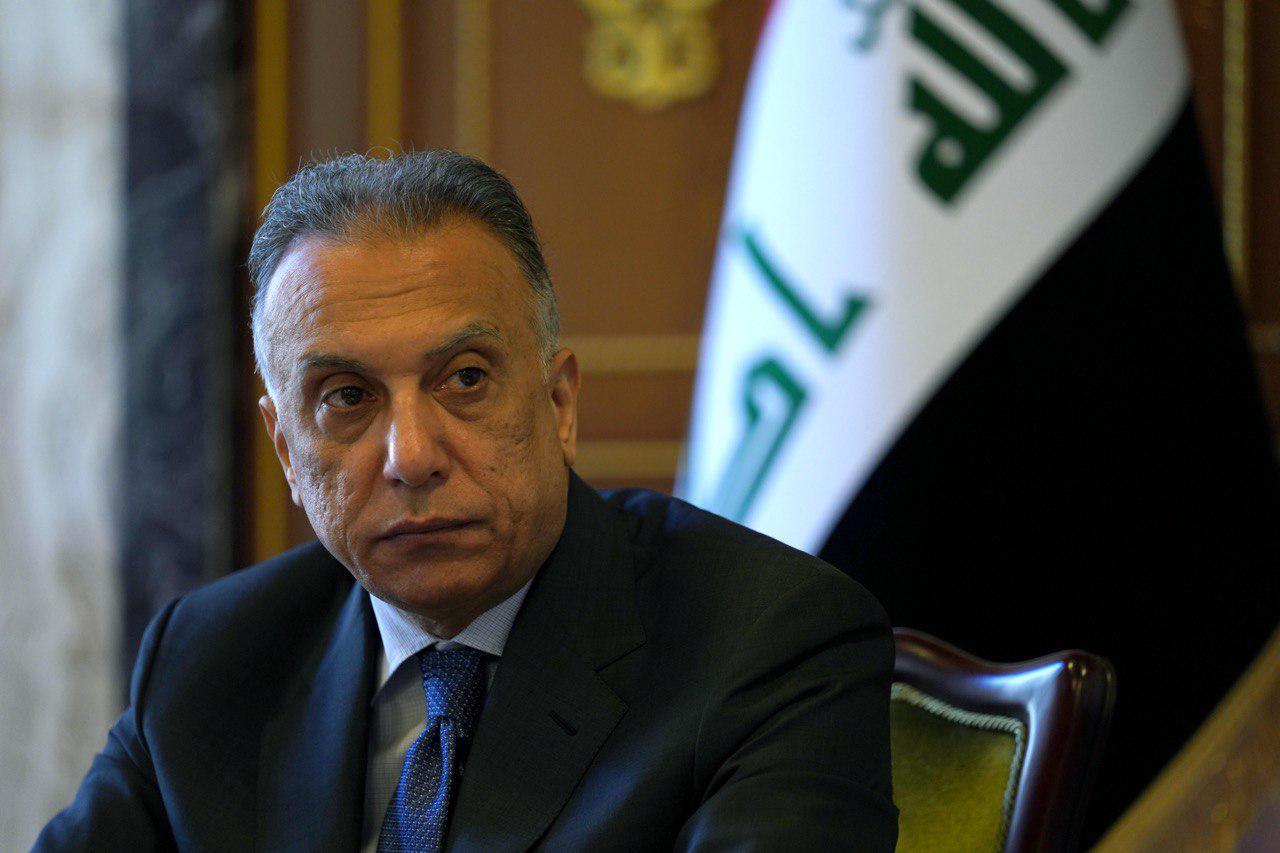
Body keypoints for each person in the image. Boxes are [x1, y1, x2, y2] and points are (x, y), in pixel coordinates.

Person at [36, 151, 898, 851]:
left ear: (559, 404)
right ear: (286, 450)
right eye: (347, 397)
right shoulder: (208, 662)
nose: (411, 456)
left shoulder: (766, 640)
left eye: (466, 379)